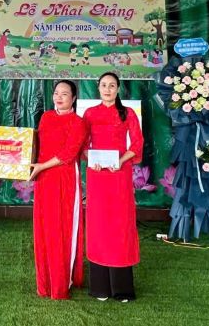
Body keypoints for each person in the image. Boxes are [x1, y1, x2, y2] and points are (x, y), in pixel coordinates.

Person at [83, 72, 143, 302]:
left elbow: (137, 143)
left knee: (119, 226)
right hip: (97, 175)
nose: (107, 89)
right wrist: (90, 158)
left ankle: (122, 288)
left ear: (118, 89)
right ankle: (99, 287)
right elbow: (83, 143)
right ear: (98, 88)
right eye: (103, 85)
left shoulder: (127, 113)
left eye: (112, 85)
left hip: (120, 174)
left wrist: (121, 160)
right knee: (99, 226)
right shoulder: (90, 113)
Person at [29, 80, 88, 300]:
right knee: (44, 229)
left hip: (64, 180)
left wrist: (41, 166)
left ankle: (62, 282)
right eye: (56, 93)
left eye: (65, 94)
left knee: (61, 229)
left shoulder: (79, 123)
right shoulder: (46, 117)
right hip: (43, 179)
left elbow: (68, 154)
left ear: (73, 98)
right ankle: (45, 283)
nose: (59, 97)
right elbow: (38, 148)